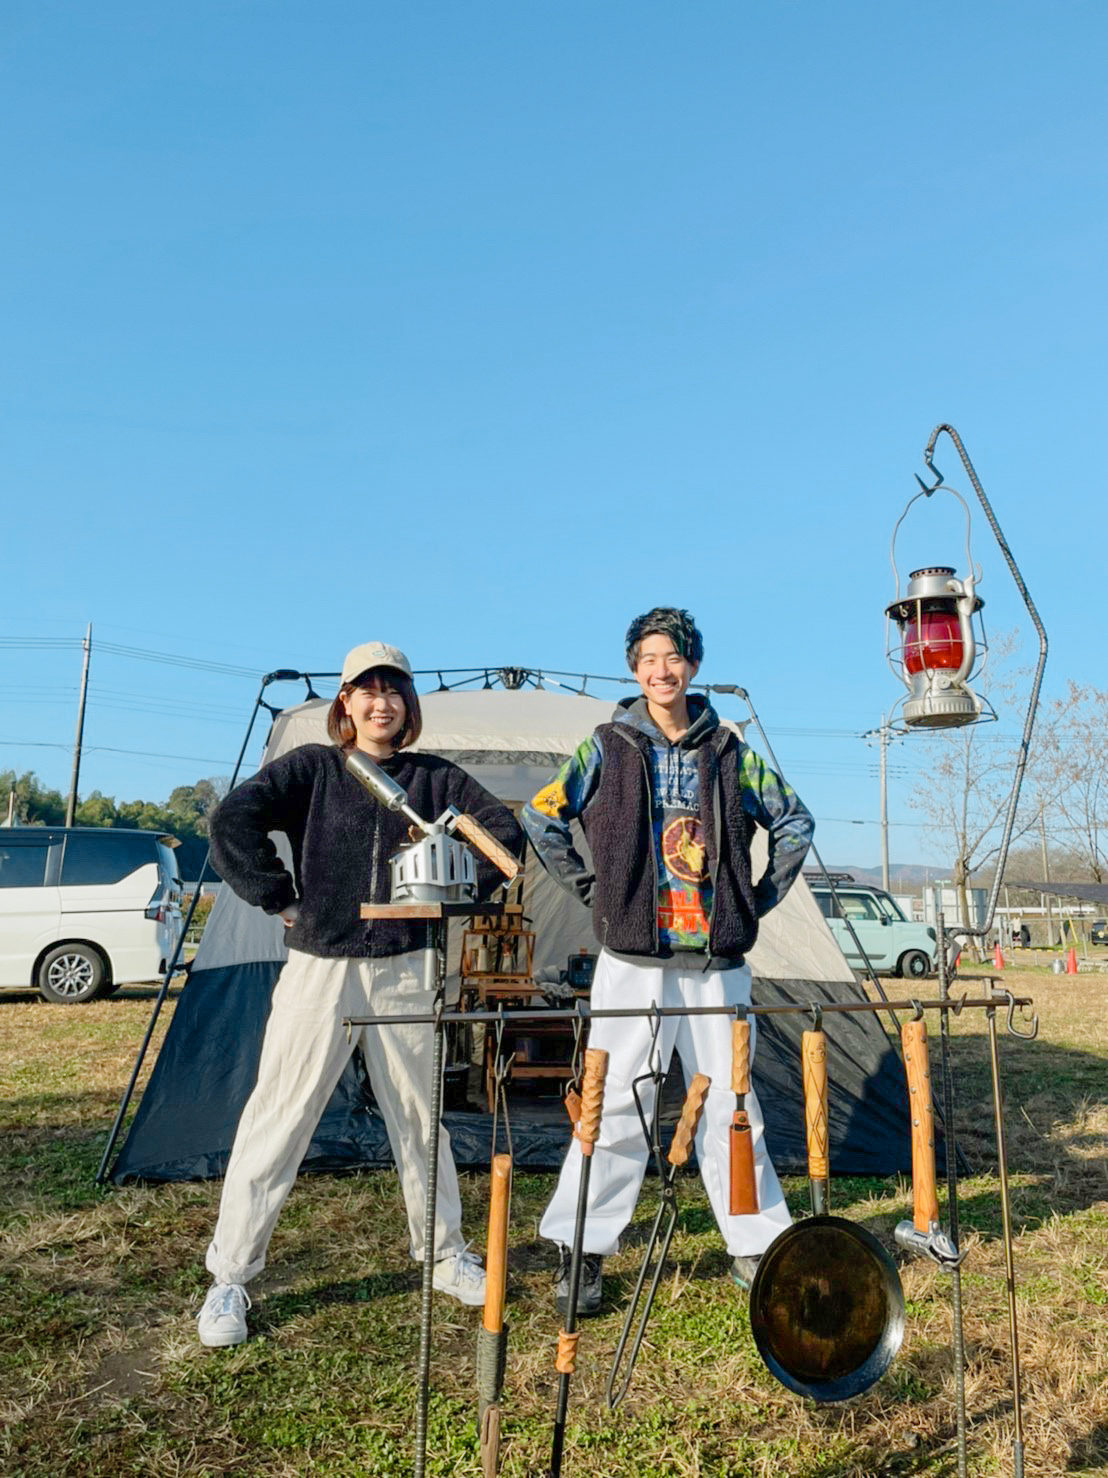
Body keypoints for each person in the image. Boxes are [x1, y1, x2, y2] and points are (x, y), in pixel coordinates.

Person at [196, 641, 524, 1348]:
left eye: (394, 691)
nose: (381, 703)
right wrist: (279, 898)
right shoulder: (315, 769)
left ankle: (443, 1255)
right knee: (279, 1115)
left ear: (409, 705)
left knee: (418, 1117)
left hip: (408, 968)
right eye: (366, 691)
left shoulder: (435, 779)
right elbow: (231, 822)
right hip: (321, 966)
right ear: (345, 703)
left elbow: (505, 838)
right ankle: (230, 1277)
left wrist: (453, 896)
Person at [522, 608, 814, 1314]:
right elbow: (541, 816)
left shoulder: (729, 751)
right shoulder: (607, 747)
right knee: (612, 1105)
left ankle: (753, 1243)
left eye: (673, 657)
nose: (662, 670)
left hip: (717, 965)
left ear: (692, 665)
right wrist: (596, 894)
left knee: (733, 1108)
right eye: (649, 658)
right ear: (634, 668)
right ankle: (583, 1251)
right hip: (633, 961)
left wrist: (752, 900)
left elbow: (795, 820)